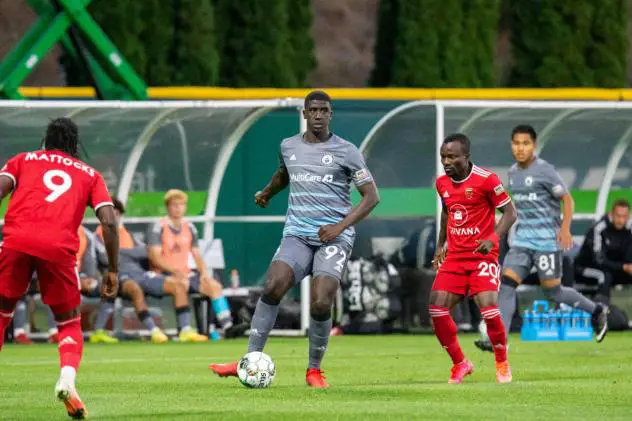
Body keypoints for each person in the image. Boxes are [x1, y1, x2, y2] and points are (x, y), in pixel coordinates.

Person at [210, 90, 380, 388]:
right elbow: (284, 174)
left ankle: (314, 370)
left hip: (333, 238)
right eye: (312, 110)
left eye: (323, 110)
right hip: (298, 234)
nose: (318, 115)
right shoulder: (288, 146)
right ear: (304, 113)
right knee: (273, 285)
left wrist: (339, 227)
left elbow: (372, 197)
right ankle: (248, 361)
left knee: (320, 301)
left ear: (330, 114)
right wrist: (266, 192)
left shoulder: (346, 151)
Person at [0, 118, 119, 420]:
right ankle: (67, 380)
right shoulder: (90, 174)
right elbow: (108, 221)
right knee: (68, 323)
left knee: (2, 313)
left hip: (17, 241)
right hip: (59, 249)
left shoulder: (23, 160)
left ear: (46, 140)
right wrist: (113, 270)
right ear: (74, 145)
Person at [475, 125, 608, 352]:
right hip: (522, 242)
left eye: (525, 143)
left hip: (547, 243)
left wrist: (565, 230)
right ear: (511, 145)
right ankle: (499, 339)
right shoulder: (513, 172)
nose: (520, 148)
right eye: (516, 143)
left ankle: (596, 310)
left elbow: (568, 200)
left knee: (553, 291)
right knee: (506, 285)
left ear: (533, 145)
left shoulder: (545, 171)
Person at [431, 133, 517, 384]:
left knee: (489, 310)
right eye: (443, 157)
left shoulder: (486, 180)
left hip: (482, 256)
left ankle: (501, 360)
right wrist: (440, 245)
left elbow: (510, 213)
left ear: (466, 157)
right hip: (455, 258)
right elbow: (447, 214)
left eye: (452, 157)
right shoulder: (442, 184)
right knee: (436, 309)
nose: (446, 162)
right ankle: (460, 363)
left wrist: (493, 237)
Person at [93, 198, 199, 342]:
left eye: (116, 214)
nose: (113, 217)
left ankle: (185, 330)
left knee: (178, 285)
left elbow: (145, 252)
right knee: (135, 289)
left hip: (140, 274)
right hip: (118, 276)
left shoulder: (128, 234)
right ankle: (154, 331)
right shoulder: (98, 236)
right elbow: (106, 258)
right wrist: (129, 252)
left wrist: (120, 251)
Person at [147, 189, 247, 340]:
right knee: (180, 284)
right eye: (174, 205)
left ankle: (228, 327)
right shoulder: (158, 227)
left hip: (185, 273)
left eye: (181, 205)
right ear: (168, 207)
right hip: (162, 275)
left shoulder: (190, 227)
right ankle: (185, 330)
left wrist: (204, 273)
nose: (178, 208)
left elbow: (196, 255)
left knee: (214, 285)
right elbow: (155, 257)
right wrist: (173, 270)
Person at [574, 199, 632, 304]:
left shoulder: (629, 230)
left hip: (613, 269)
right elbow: (599, 260)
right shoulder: (599, 229)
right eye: (618, 216)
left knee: (609, 273)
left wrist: (627, 266)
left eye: (624, 217)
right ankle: (602, 312)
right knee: (604, 275)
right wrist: (624, 267)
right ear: (611, 214)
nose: (621, 220)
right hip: (585, 269)